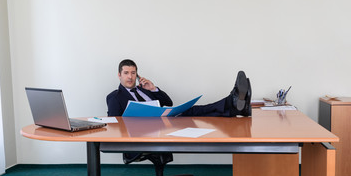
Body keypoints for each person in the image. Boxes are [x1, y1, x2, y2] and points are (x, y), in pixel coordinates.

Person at [106, 59, 252, 118]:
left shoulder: (144, 89)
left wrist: (154, 89)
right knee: (198, 113)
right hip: (147, 130)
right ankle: (233, 102)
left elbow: (168, 103)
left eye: (133, 73)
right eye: (126, 73)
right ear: (119, 75)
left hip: (165, 119)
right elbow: (116, 125)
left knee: (197, 111)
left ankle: (236, 107)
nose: (130, 77)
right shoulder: (115, 97)